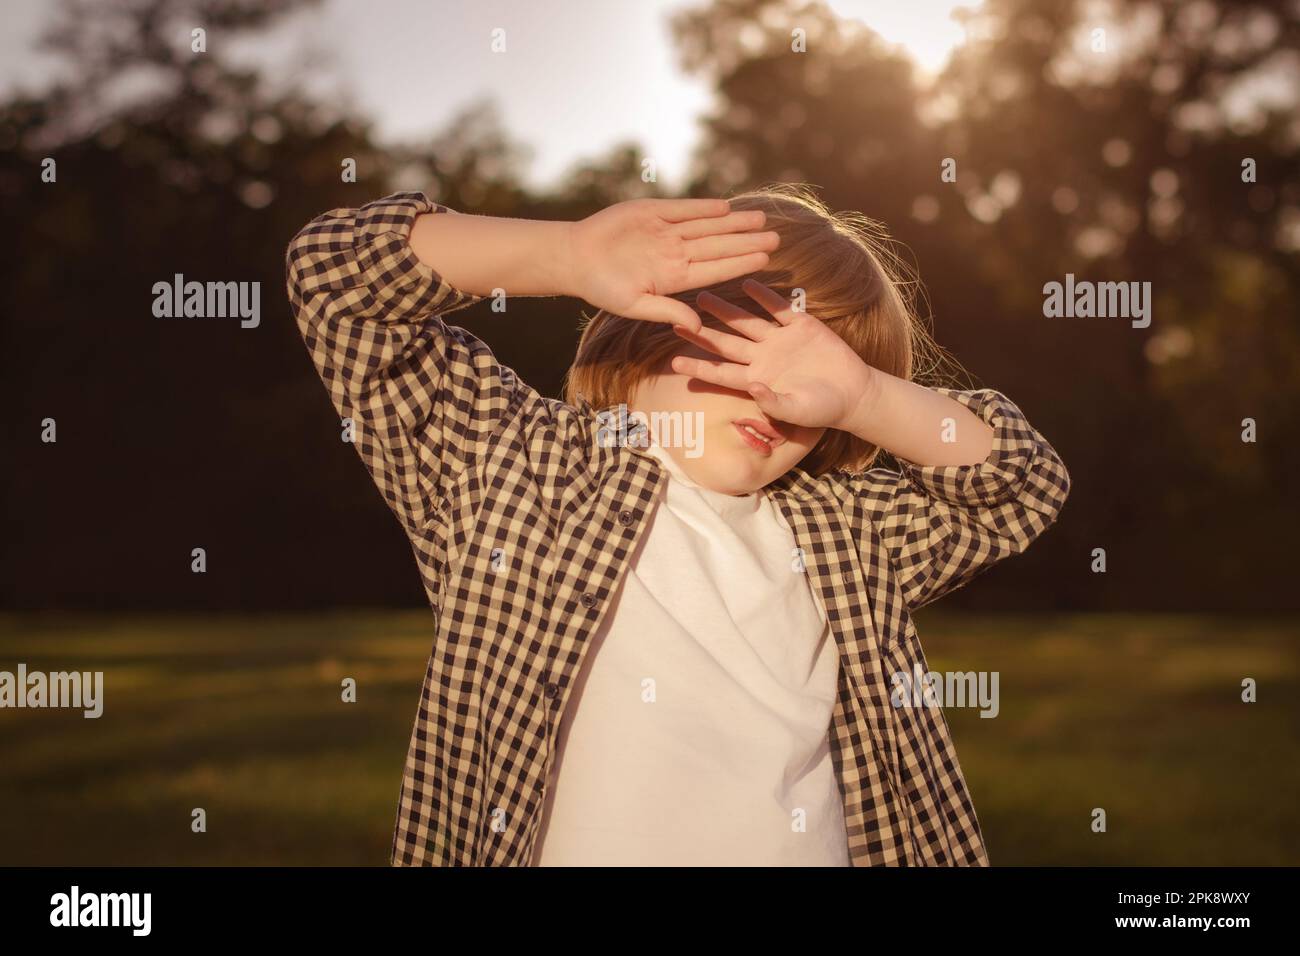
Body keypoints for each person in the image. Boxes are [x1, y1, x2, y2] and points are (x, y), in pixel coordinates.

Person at [284, 183, 1070, 866]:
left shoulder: (844, 529)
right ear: (658, 322)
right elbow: (332, 277)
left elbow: (1020, 488)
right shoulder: (515, 466)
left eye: (812, 383)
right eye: (750, 351)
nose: (778, 398)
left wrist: (867, 397)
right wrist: (565, 256)